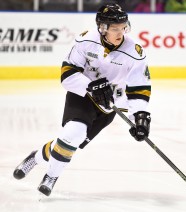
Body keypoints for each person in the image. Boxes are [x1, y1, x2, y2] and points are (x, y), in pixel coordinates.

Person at [13, 3, 152, 196]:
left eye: (123, 27)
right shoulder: (86, 40)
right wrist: (90, 86)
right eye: (114, 29)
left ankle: (36, 157)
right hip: (83, 95)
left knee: (70, 142)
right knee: (74, 133)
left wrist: (140, 117)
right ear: (102, 28)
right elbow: (67, 73)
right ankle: (51, 176)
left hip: (108, 107)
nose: (120, 33)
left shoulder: (134, 52)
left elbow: (139, 87)